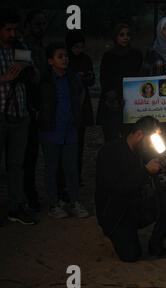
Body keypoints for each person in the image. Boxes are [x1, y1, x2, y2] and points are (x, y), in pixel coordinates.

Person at [95, 116, 166, 262]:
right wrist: (146, 171)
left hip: (137, 204)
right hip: (116, 212)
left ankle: (156, 244)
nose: (152, 143)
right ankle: (121, 234)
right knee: (131, 255)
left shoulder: (144, 151)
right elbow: (117, 188)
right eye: (151, 138)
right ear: (139, 134)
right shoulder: (109, 152)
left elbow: (157, 175)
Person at [39, 43, 89, 219]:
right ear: (50, 61)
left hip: (70, 130)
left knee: (71, 168)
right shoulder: (44, 80)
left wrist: (76, 117)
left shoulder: (72, 78)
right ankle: (54, 203)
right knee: (52, 168)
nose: (65, 59)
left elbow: (81, 94)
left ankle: (74, 201)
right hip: (51, 130)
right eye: (60, 56)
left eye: (66, 56)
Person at [0, 8, 36, 225]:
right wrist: (4, 78)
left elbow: (34, 76)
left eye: (15, 29)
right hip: (1, 112)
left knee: (16, 164)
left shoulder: (21, 48)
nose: (12, 33)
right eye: (8, 29)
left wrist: (28, 71)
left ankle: (16, 206)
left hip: (20, 114)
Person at [97, 24, 143, 143]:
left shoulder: (136, 55)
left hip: (132, 102)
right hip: (113, 103)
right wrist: (114, 96)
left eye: (128, 35)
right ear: (116, 37)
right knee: (112, 139)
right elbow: (104, 80)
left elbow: (141, 76)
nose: (125, 37)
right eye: (121, 35)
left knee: (131, 139)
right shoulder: (108, 56)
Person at [22, 10, 48, 212]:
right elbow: (25, 79)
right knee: (26, 156)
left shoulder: (40, 46)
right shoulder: (23, 47)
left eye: (44, 24)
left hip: (40, 105)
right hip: (27, 106)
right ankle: (27, 196)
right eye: (38, 24)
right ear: (29, 24)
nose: (42, 28)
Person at [65, 30, 95, 187]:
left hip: (82, 105)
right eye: (76, 47)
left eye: (81, 47)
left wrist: (87, 77)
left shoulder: (86, 59)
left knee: (79, 143)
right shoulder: (65, 60)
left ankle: (76, 175)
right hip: (69, 104)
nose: (79, 50)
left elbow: (92, 81)